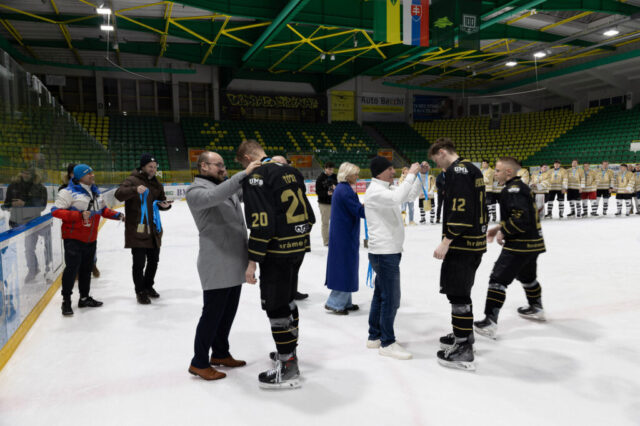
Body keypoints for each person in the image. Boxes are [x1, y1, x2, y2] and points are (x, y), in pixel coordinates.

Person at [236, 139, 315, 389]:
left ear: (247, 158)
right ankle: (289, 351)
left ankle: (288, 364)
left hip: (276, 251)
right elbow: (310, 215)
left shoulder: (256, 176)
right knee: (288, 300)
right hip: (298, 247)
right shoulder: (291, 170)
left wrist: (252, 262)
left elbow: (262, 223)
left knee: (276, 305)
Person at [185, 151, 261, 381]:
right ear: (203, 166)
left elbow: (244, 191)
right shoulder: (195, 191)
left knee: (227, 313)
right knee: (212, 314)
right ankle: (199, 362)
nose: (223, 168)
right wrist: (243, 173)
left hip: (234, 259)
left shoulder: (225, 187)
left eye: (224, 165)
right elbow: (215, 196)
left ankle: (220, 352)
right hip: (216, 261)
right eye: (218, 165)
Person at [429, 138, 486, 371]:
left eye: (437, 159)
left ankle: (463, 347)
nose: (438, 165)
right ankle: (464, 334)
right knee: (462, 291)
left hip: (462, 244)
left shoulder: (458, 171)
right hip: (474, 242)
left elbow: (461, 211)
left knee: (457, 293)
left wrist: (446, 241)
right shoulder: (472, 168)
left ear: (442, 152)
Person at [474, 157, 546, 340]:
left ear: (508, 172)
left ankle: (489, 322)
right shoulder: (521, 187)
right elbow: (523, 214)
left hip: (519, 245)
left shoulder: (512, 189)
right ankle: (536, 307)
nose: (495, 174)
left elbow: (521, 218)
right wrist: (499, 228)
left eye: (497, 171)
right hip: (533, 243)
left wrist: (504, 231)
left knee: (497, 279)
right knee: (527, 277)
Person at [364, 157, 422, 360]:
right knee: (392, 299)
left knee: (381, 294)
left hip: (388, 251)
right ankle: (387, 342)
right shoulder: (375, 191)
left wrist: (420, 175)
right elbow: (398, 198)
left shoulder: (386, 189)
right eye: (389, 169)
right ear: (379, 172)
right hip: (384, 253)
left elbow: (409, 195)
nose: (393, 172)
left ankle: (374, 336)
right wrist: (411, 174)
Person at [51, 164, 124, 316]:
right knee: (71, 270)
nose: (92, 175)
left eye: (92, 172)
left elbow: (103, 210)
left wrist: (117, 215)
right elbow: (56, 211)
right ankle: (66, 301)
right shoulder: (67, 192)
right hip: (73, 239)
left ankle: (84, 298)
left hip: (91, 238)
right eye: (88, 173)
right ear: (79, 176)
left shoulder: (96, 192)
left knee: (86, 269)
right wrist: (78, 215)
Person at [115, 154, 172, 305]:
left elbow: (160, 201)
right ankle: (140, 291)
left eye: (155, 167)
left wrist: (165, 205)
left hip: (153, 230)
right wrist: (135, 189)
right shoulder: (132, 180)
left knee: (154, 261)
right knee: (139, 263)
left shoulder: (157, 184)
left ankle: (148, 286)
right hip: (137, 229)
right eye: (150, 167)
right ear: (143, 166)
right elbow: (118, 194)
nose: (153, 169)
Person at [324, 162, 365, 314]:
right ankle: (335, 303)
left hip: (344, 233)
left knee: (347, 265)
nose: (357, 176)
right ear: (347, 175)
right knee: (344, 266)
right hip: (344, 235)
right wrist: (371, 207)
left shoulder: (343, 189)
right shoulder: (345, 191)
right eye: (355, 174)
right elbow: (359, 211)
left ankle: (345, 301)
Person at [2, 168, 52, 282]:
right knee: (29, 248)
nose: (25, 175)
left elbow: (42, 206)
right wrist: (11, 204)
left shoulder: (40, 188)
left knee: (45, 245)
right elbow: (6, 205)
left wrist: (24, 203)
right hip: (20, 222)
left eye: (28, 173)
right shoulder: (13, 186)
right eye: (24, 172)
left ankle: (48, 268)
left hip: (35, 222)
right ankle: (33, 270)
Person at [273, 154, 309, 301]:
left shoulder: (296, 177)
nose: (286, 166)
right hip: (283, 231)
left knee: (296, 264)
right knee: (283, 268)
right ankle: (283, 294)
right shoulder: (272, 180)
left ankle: (292, 291)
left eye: (286, 163)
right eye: (282, 164)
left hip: (299, 228)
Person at [315, 162, 337, 247]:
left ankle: (335, 239)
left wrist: (336, 187)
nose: (331, 171)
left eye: (332, 169)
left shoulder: (335, 176)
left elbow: (340, 187)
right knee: (325, 223)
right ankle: (326, 241)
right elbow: (318, 191)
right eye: (329, 169)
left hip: (335, 203)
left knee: (335, 222)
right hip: (324, 204)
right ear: (325, 168)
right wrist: (327, 193)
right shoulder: (320, 178)